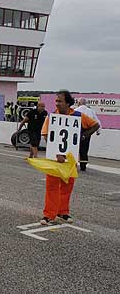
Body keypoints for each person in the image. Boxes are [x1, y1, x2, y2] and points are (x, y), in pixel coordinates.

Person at [39, 90, 100, 225]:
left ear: (68, 103)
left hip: (70, 159)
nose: (57, 104)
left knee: (67, 187)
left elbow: (95, 125)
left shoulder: (78, 116)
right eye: (56, 101)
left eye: (60, 101)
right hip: (54, 159)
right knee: (52, 187)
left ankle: (63, 212)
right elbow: (45, 135)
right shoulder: (52, 116)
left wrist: (83, 136)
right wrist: (56, 151)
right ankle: (48, 214)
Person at [75, 98, 101, 171]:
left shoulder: (76, 110)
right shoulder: (91, 111)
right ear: (85, 103)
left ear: (79, 103)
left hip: (77, 130)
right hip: (88, 131)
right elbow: (97, 122)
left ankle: (74, 165)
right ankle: (83, 166)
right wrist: (98, 131)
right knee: (85, 148)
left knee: (75, 148)